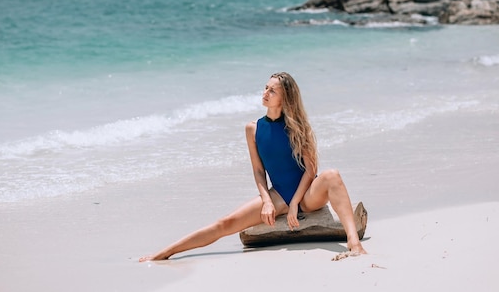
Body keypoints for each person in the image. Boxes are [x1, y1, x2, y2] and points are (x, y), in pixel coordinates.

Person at [139, 72, 367, 262]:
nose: (265, 93)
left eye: (272, 91)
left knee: (332, 175)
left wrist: (296, 202)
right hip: (277, 195)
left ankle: (353, 243)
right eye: (265, 88)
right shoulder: (253, 129)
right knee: (225, 223)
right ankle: (166, 252)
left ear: (285, 98)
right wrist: (267, 201)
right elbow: (259, 171)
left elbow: (310, 169)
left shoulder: (298, 127)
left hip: (307, 195)